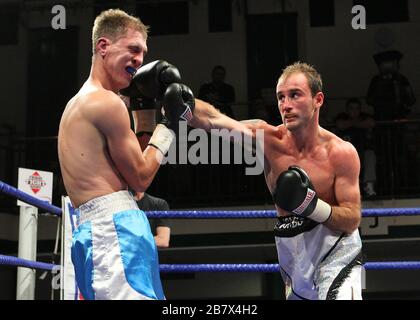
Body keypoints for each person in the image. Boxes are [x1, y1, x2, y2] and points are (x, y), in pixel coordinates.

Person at [189, 62, 363, 300]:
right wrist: (182, 101)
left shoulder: (341, 153)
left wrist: (312, 207)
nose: (286, 105)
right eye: (281, 97)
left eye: (295, 95)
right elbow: (212, 120)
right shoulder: (267, 140)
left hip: (337, 250)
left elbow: (352, 219)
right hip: (293, 252)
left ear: (318, 99)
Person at [57, 9, 194, 300]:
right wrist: (170, 125)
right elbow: (142, 178)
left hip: (96, 231)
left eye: (143, 53)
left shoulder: (81, 102)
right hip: (114, 231)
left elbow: (133, 160)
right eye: (133, 49)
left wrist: (145, 105)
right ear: (103, 46)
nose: (140, 60)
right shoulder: (106, 103)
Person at [335, 98, 377, 198]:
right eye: (351, 108)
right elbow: (340, 125)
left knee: (370, 155)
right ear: (347, 110)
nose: (354, 111)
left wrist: (353, 123)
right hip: (347, 153)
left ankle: (369, 187)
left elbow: (371, 123)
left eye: (357, 109)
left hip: (363, 151)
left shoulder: (364, 116)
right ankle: (349, 190)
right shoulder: (342, 117)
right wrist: (357, 123)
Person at [367, 50, 416, 121]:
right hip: (381, 118)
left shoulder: (402, 79)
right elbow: (369, 100)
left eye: (392, 63)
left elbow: (411, 100)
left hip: (398, 118)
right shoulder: (376, 80)